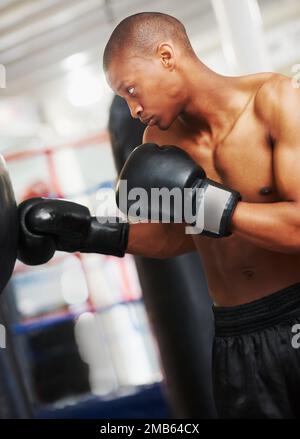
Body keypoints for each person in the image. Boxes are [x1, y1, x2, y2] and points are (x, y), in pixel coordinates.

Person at [17, 12, 300, 418]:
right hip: (236, 338)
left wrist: (205, 202)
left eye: (132, 90)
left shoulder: (276, 100)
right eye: (123, 99)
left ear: (166, 56)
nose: (132, 109)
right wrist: (88, 233)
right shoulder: (158, 140)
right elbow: (181, 236)